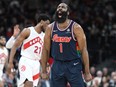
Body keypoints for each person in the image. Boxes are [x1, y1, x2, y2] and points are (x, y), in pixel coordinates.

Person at [41, 3, 92, 87]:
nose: (60, 8)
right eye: (58, 7)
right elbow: (45, 50)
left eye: (63, 7)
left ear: (68, 12)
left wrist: (87, 72)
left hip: (73, 64)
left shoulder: (76, 28)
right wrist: (43, 71)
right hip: (57, 64)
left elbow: (84, 50)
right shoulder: (50, 28)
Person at [8, 14, 50, 87]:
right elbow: (14, 46)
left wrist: (45, 66)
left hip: (36, 63)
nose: (48, 26)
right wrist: (10, 62)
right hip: (26, 60)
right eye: (47, 24)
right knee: (28, 84)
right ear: (41, 22)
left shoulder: (44, 36)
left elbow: (43, 54)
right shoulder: (28, 31)